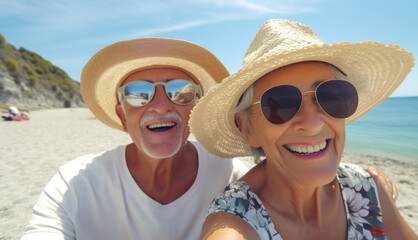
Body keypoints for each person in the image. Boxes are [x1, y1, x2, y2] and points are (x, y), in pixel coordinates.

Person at [21, 37, 396, 240]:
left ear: (195, 110)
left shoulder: (231, 173)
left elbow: (289, 168)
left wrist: (367, 181)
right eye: (137, 93)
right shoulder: (75, 184)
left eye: (181, 91)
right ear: (121, 115)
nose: (161, 105)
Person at [190, 19, 418, 239]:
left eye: (330, 97)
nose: (313, 124)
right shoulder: (235, 222)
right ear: (247, 128)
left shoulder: (369, 189)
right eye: (280, 104)